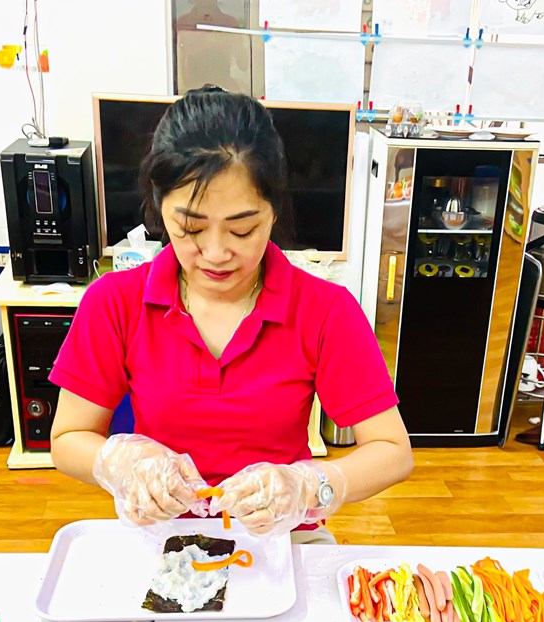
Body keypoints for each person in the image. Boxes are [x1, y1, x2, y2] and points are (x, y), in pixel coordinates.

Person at [49, 85, 412, 543]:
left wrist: (308, 486)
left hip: (284, 537)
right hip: (162, 536)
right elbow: (68, 439)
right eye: (190, 228)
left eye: (242, 230)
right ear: (160, 208)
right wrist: (121, 464)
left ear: (273, 212)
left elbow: (392, 451)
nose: (216, 253)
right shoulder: (115, 302)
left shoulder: (325, 310)